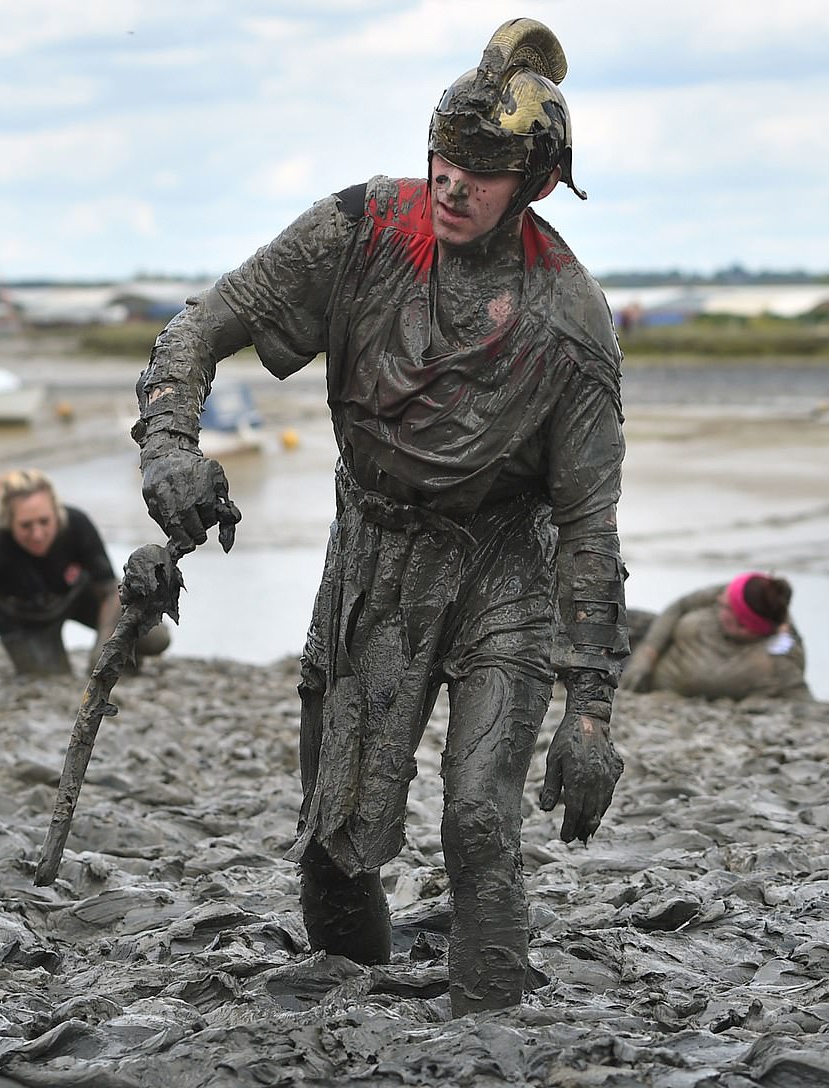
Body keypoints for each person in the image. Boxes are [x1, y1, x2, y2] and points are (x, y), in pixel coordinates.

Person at [133, 17, 628, 1015]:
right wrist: (169, 443)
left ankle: (489, 1006)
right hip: (372, 549)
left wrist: (589, 713)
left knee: (480, 812)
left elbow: (587, 526)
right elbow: (200, 323)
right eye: (443, 156)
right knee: (334, 824)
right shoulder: (357, 229)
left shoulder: (569, 323)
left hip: (503, 564)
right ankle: (351, 963)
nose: (452, 183)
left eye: (482, 169)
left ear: (532, 180)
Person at [0, 468, 170, 677]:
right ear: (9, 521)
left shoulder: (77, 524)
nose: (37, 534)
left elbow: (110, 591)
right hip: (23, 619)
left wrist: (102, 651)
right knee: (52, 680)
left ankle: (127, 660)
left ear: (56, 512)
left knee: (156, 637)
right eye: (26, 526)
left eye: (44, 522)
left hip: (76, 596)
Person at [621, 572, 812, 701]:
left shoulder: (776, 664)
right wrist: (648, 653)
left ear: (745, 628)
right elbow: (680, 606)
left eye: (726, 606)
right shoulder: (732, 592)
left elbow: (801, 698)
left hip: (651, 684)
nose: (719, 599)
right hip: (648, 640)